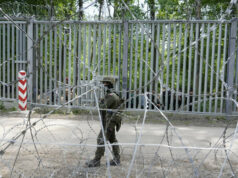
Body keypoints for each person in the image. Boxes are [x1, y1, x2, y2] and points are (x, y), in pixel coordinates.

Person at [86, 76, 123, 167]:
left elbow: (102, 106)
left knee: (101, 139)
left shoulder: (111, 96)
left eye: (105, 83)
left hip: (109, 122)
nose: (103, 85)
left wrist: (100, 102)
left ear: (109, 84)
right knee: (112, 139)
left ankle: (96, 160)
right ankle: (117, 159)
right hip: (110, 121)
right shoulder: (112, 95)